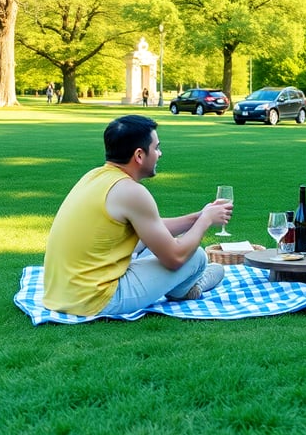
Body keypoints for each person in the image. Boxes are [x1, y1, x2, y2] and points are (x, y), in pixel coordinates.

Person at [42, 115, 232, 316]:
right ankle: (191, 287)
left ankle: (187, 282)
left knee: (159, 242)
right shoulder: (132, 192)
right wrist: (205, 221)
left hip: (60, 294)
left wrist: (199, 216)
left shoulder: (94, 176)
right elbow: (174, 259)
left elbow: (151, 227)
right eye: (157, 147)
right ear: (139, 155)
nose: (160, 153)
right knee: (195, 256)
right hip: (95, 299)